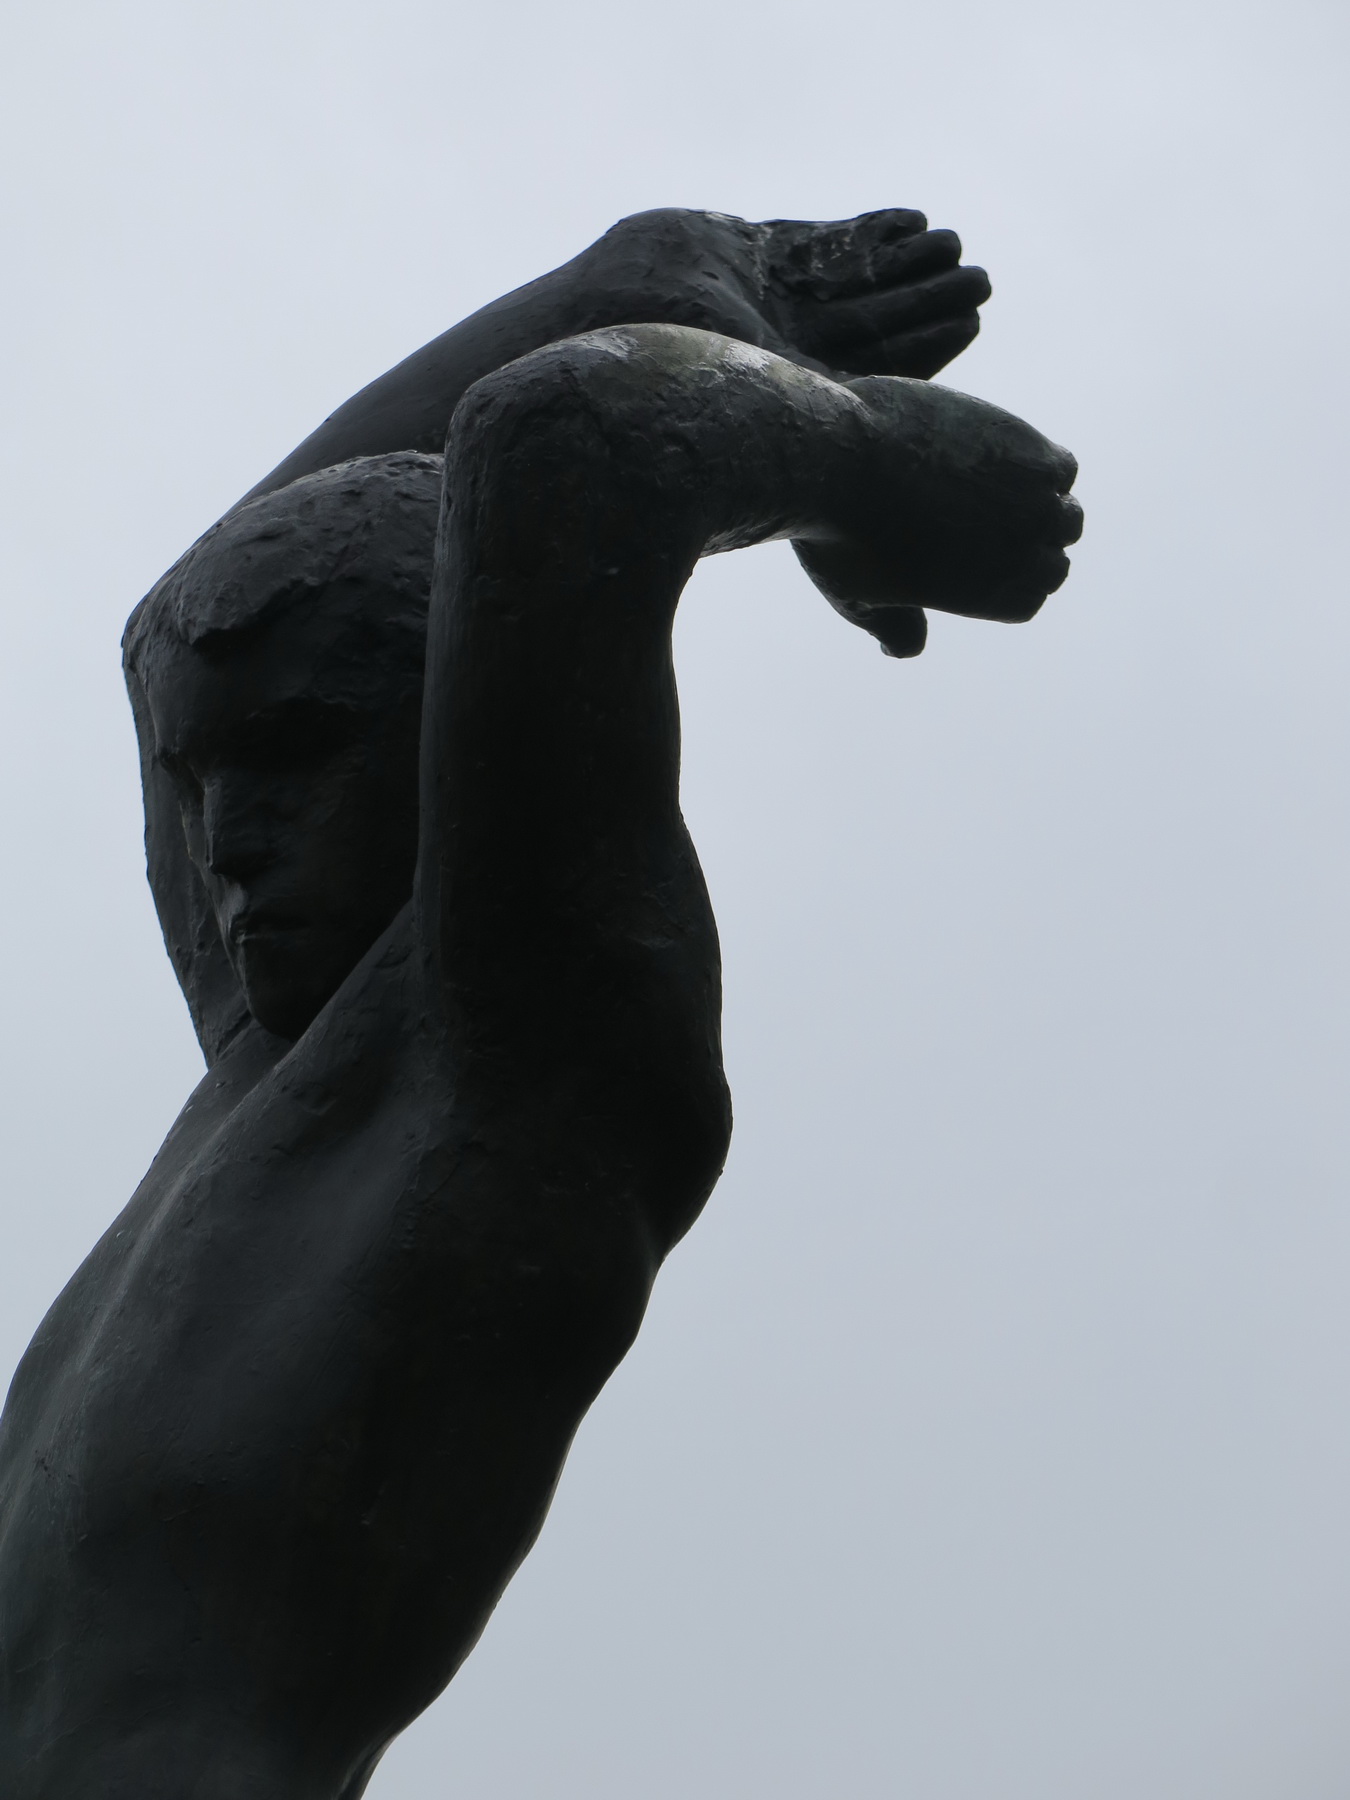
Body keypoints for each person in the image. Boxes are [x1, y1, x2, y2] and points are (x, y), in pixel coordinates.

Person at [0, 208, 1081, 1798]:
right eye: (202, 775)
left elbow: (576, 434)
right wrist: (637, 277)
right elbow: (180, 621)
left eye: (295, 755)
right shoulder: (266, 1083)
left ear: (452, 729)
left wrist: (866, 468)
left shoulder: (527, 1031)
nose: (223, 841)